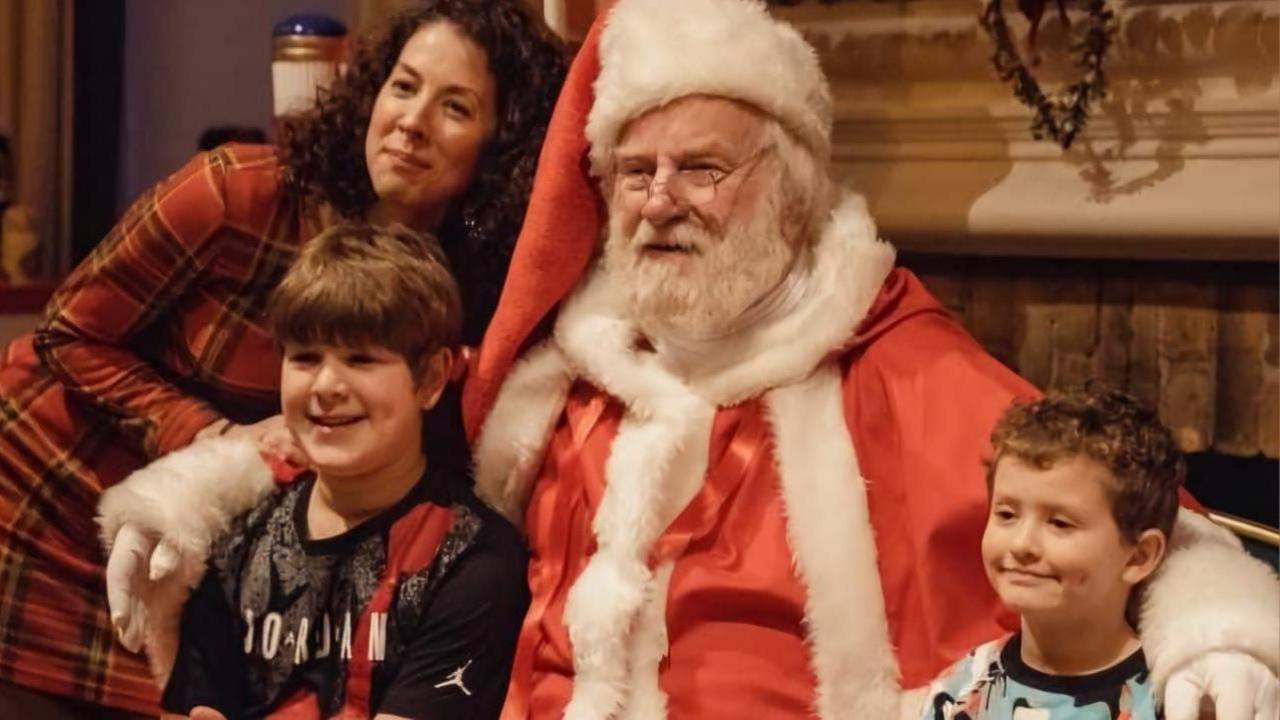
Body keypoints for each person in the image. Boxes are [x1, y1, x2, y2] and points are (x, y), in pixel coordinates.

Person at [105, 0, 1280, 718]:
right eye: (633, 172)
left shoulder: (888, 359)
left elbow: (1139, 515)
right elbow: (361, 432)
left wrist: (1215, 635)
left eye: (703, 169)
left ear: (791, 186)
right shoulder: (560, 375)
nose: (660, 201)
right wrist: (196, 499)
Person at [0, 1, 564, 716]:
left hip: (204, 563)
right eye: (403, 85)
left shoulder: (473, 288)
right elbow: (66, 331)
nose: (412, 121)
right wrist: (211, 437)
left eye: (454, 106)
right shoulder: (236, 191)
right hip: (44, 499)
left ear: (502, 144)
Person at [101, 223, 528, 719]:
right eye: (305, 357)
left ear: (431, 378)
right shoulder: (236, 530)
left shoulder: (474, 562)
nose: (326, 384)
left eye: (361, 359)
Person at [917, 389, 1184, 719]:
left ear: (1138, 557)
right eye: (1006, 515)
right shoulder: (959, 691)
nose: (1021, 544)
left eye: (1059, 523)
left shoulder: (1177, 701)